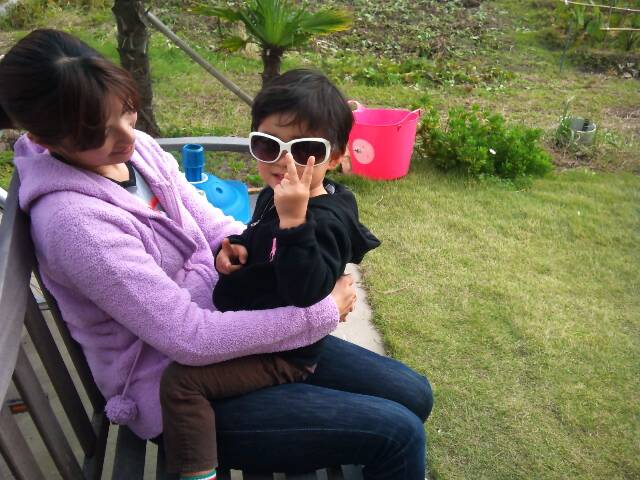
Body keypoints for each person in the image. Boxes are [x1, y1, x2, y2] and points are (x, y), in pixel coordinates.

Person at [0, 29, 434, 480]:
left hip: (235, 318)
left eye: (126, 111)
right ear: (46, 137)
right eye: (98, 131)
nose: (128, 137)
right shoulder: (75, 224)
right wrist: (319, 313)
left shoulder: (136, 151)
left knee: (413, 394)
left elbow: (207, 221)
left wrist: (240, 244)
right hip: (181, 389)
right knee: (398, 433)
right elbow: (188, 338)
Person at [160, 69, 381, 480]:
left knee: (180, 383)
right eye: (268, 144)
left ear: (335, 157)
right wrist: (238, 247)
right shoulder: (273, 194)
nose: (284, 161)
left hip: (284, 351)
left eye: (305, 149)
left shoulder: (326, 220)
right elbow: (262, 236)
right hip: (258, 326)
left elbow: (306, 292)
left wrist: (294, 222)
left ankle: (197, 473)